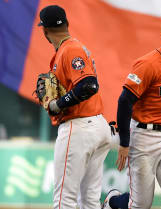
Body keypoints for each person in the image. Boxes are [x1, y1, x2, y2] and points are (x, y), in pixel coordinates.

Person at [102, 16, 161, 209]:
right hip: (144, 136)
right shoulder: (148, 64)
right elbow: (125, 101)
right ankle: (112, 202)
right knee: (141, 204)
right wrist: (125, 143)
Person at [37, 5, 112, 209]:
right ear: (67, 24)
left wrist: (58, 104)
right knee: (89, 201)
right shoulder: (71, 48)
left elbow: (89, 85)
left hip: (79, 128)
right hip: (96, 126)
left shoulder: (70, 49)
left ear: (44, 30)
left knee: (64, 200)